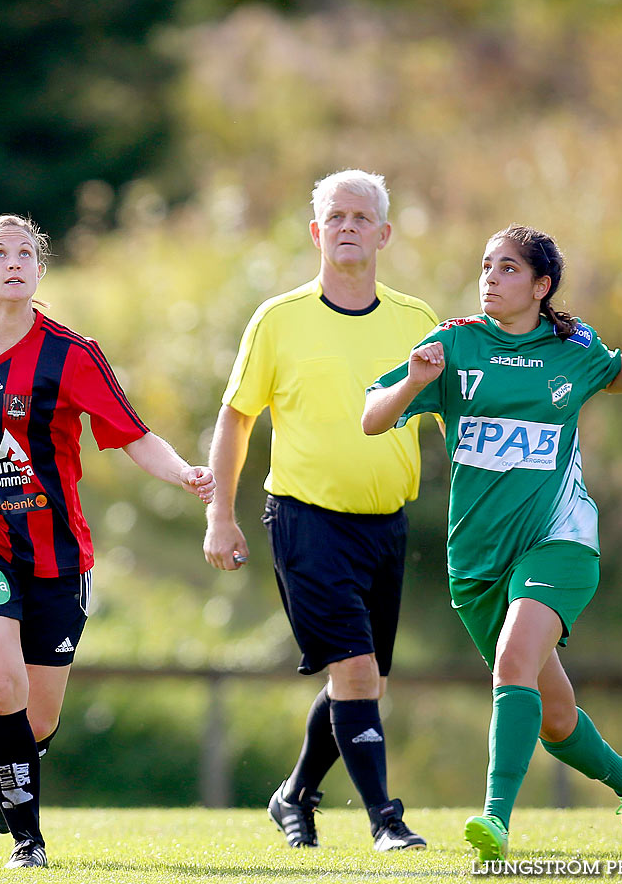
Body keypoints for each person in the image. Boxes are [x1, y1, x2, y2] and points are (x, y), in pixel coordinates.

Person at [362, 224, 622, 860]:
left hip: (560, 543)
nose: (490, 277)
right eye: (486, 265)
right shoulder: (453, 344)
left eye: (508, 268)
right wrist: (414, 381)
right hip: (476, 565)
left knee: (513, 662)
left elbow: (613, 369)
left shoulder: (570, 346)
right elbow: (371, 417)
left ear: (541, 285)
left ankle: (495, 821)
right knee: (555, 721)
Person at [0, 213, 215, 870]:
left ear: (38, 271)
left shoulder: (71, 353)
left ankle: (7, 775)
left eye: (26, 253)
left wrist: (183, 472)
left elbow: (133, 433)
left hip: (57, 555)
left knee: (35, 718)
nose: (14, 263)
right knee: (1, 687)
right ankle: (28, 843)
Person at [203, 169, 438, 853]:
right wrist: (221, 513)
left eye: (361, 217)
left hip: (386, 524)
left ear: (384, 234)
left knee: (363, 684)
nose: (347, 227)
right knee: (356, 673)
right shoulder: (279, 319)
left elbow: (455, 419)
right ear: (315, 231)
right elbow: (236, 419)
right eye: (335, 217)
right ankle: (386, 821)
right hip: (306, 517)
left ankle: (295, 796)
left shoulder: (418, 322)